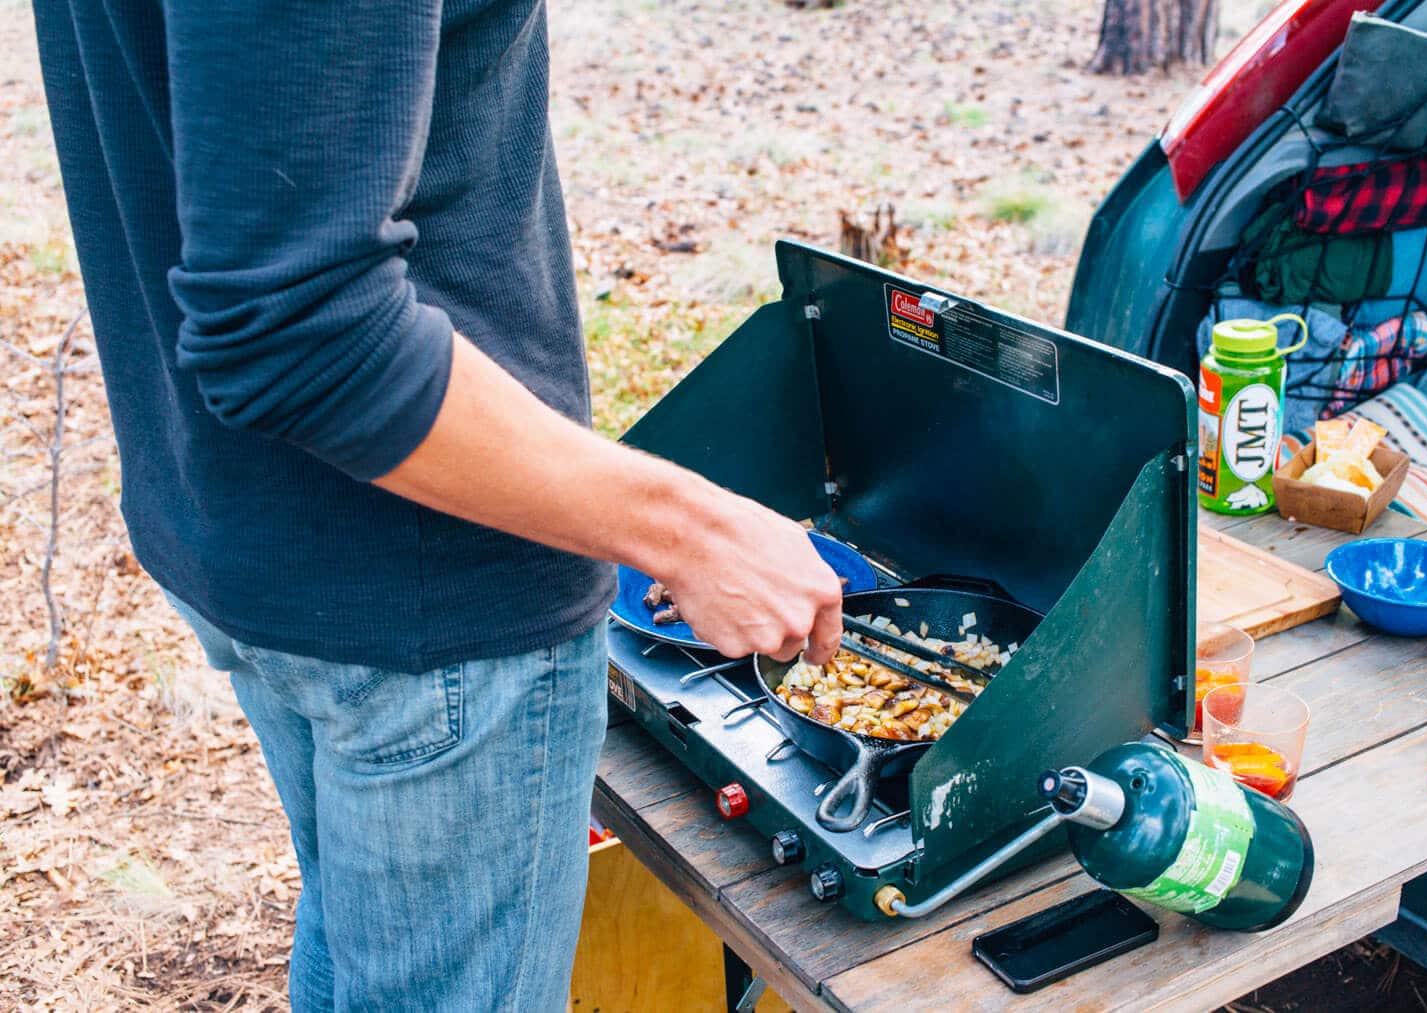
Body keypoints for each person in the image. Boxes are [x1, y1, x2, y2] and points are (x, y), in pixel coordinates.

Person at [32, 1, 844, 1009]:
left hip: (247, 532)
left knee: (358, 956)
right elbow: (298, 332)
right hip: (434, 607)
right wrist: (687, 530)